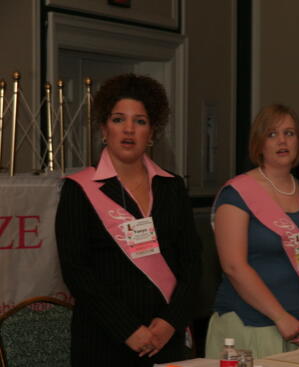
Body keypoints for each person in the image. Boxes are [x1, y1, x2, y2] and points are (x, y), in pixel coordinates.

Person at [55, 73, 202, 366]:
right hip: (103, 340)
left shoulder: (171, 187)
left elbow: (192, 263)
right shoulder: (78, 189)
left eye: (140, 121)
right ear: (103, 128)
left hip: (165, 340)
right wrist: (127, 329)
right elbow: (76, 271)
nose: (129, 130)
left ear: (152, 134)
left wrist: (169, 322)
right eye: (119, 119)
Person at [205, 104, 299, 358]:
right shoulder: (237, 193)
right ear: (259, 143)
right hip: (250, 325)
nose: (282, 141)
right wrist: (280, 317)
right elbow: (233, 266)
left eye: (290, 133)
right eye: (272, 134)